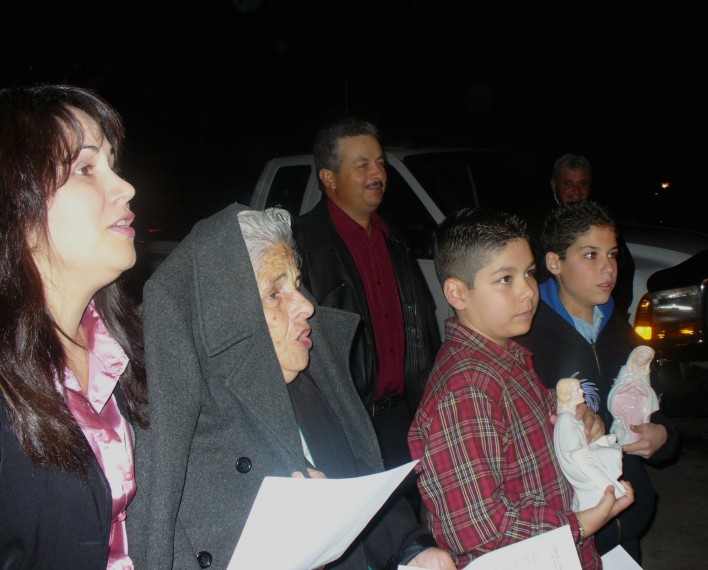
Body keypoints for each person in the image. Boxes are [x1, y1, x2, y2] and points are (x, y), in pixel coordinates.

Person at [127, 204, 455, 570]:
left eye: (297, 285)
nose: (306, 306)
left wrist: (414, 549)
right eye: (274, 293)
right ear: (226, 316)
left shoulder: (310, 384)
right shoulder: (178, 442)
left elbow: (358, 485)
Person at [407, 207, 634, 569]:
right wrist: (582, 523)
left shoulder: (510, 357)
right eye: (505, 279)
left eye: (529, 273)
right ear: (457, 293)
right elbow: (477, 529)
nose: (528, 292)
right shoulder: (467, 390)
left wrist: (577, 426)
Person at [0, 84, 147, 569]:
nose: (125, 188)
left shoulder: (128, 350)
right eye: (86, 168)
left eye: (112, 163)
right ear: (15, 204)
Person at [517, 199, 679, 562]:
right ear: (555, 262)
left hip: (627, 524)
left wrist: (662, 437)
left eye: (612, 254)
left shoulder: (623, 334)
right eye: (590, 255)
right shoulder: (527, 338)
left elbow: (655, 410)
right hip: (568, 532)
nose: (608, 269)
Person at [292, 117, 440, 504]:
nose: (377, 173)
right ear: (329, 176)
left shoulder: (396, 242)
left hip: (401, 418)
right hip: (344, 421)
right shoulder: (302, 246)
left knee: (407, 525)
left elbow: (422, 328)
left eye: (379, 163)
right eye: (362, 165)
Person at [530, 153, 635, 318]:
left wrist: (617, 315)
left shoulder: (602, 220)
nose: (577, 191)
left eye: (583, 184)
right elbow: (537, 275)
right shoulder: (535, 222)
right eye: (569, 183)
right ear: (554, 185)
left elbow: (625, 269)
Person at [555, 378, 627, 511]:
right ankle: (609, 488)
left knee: (610, 447)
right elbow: (575, 450)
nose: (582, 391)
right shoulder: (565, 418)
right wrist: (597, 445)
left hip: (581, 454)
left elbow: (583, 442)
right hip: (577, 460)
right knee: (606, 456)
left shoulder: (571, 415)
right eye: (578, 389)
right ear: (567, 395)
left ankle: (610, 488)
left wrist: (599, 442)